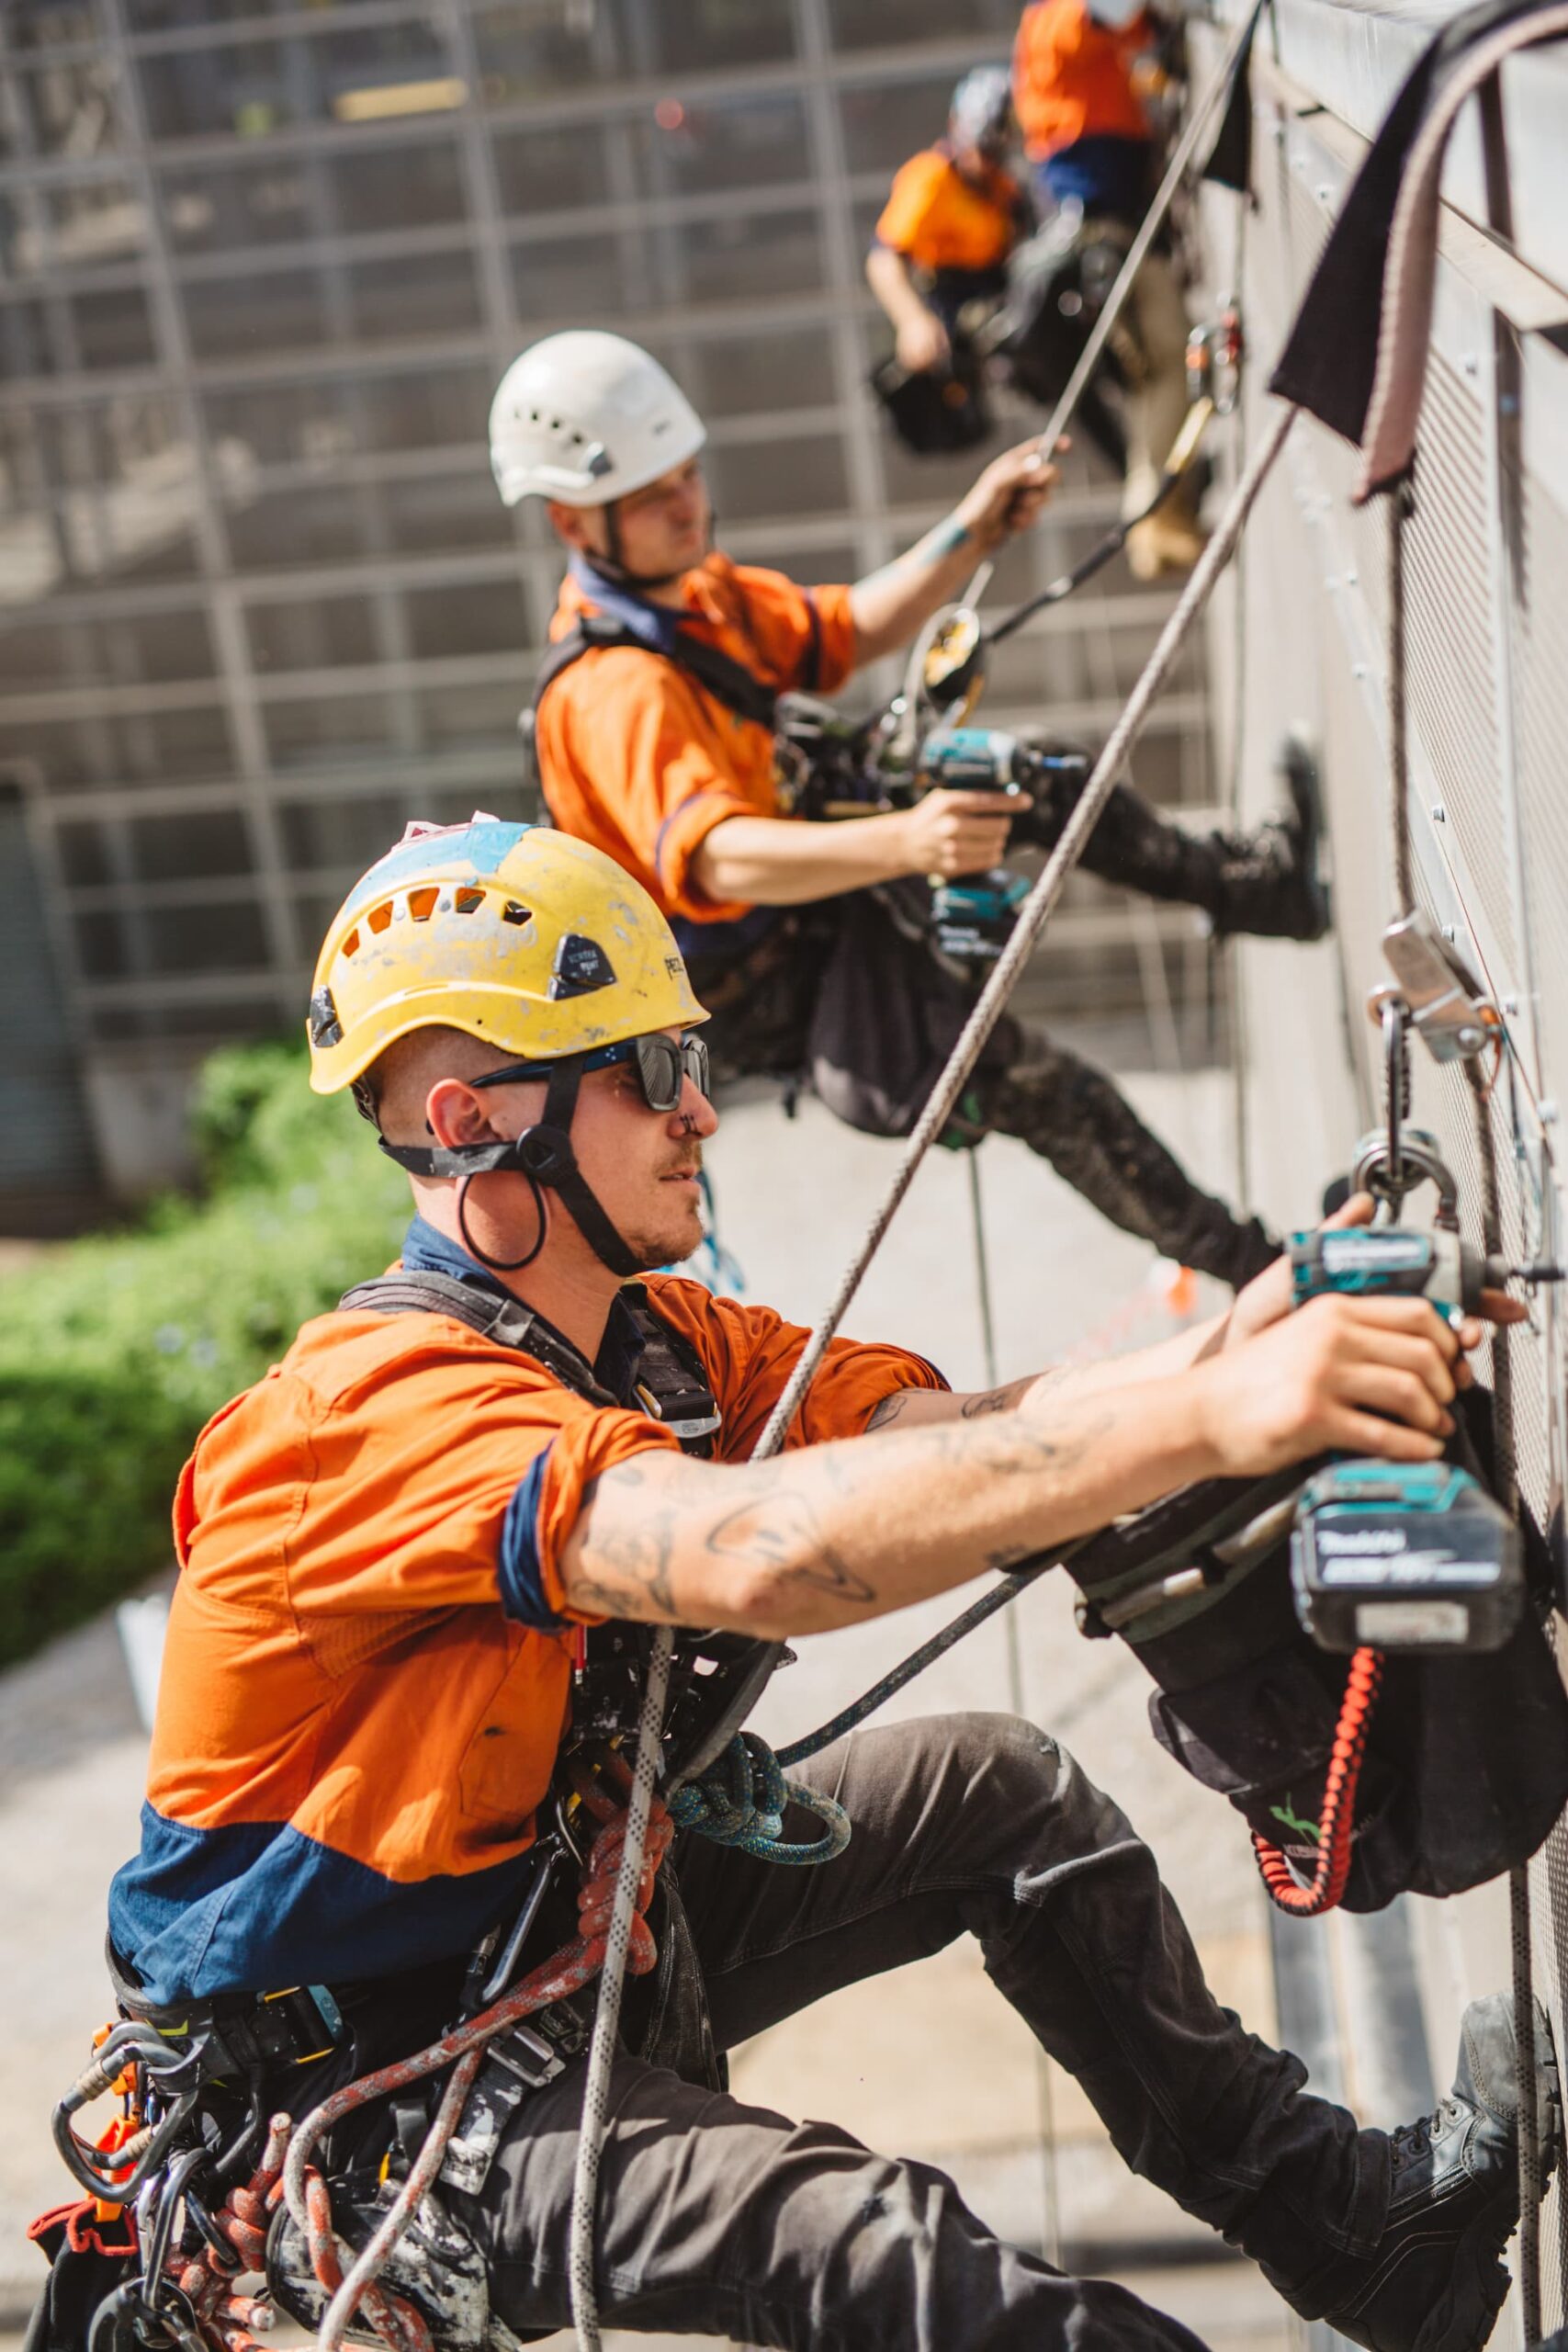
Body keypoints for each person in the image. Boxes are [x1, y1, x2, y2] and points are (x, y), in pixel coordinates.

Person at [79, 818, 1545, 2352]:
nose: (699, 1109)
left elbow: (964, 1436)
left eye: (687, 1058)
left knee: (1001, 1793)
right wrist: (1212, 1415)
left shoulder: (650, 1344)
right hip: (378, 2098)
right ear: (470, 1120)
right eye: (645, 1072)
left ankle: (1366, 2239)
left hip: (558, 1939)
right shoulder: (364, 1419)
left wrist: (1261, 1331)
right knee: (853, 2239)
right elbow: (759, 1550)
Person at [492, 329, 1329, 1289]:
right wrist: (906, 841)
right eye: (650, 496)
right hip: (765, 978)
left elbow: (842, 632)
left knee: (1030, 772)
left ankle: (1255, 889)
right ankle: (1266, 1273)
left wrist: (974, 528)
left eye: (685, 475)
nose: (687, 505)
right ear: (572, 522)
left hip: (809, 876)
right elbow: (717, 857)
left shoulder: (695, 596)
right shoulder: (614, 690)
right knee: (1041, 1084)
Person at [1013, 0, 1203, 579]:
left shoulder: (1056, 32)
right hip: (1105, 240)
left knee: (1154, 376)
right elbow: (1117, 11)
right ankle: (1157, 526)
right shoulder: (1055, 23)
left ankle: (1157, 526)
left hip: (1111, 237)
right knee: (1166, 364)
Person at [865, 66, 1029, 449]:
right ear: (958, 127)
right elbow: (883, 258)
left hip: (1005, 283)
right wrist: (913, 321)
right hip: (959, 302)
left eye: (996, 151)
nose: (987, 160)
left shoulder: (1002, 186)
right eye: (982, 148)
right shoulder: (930, 179)